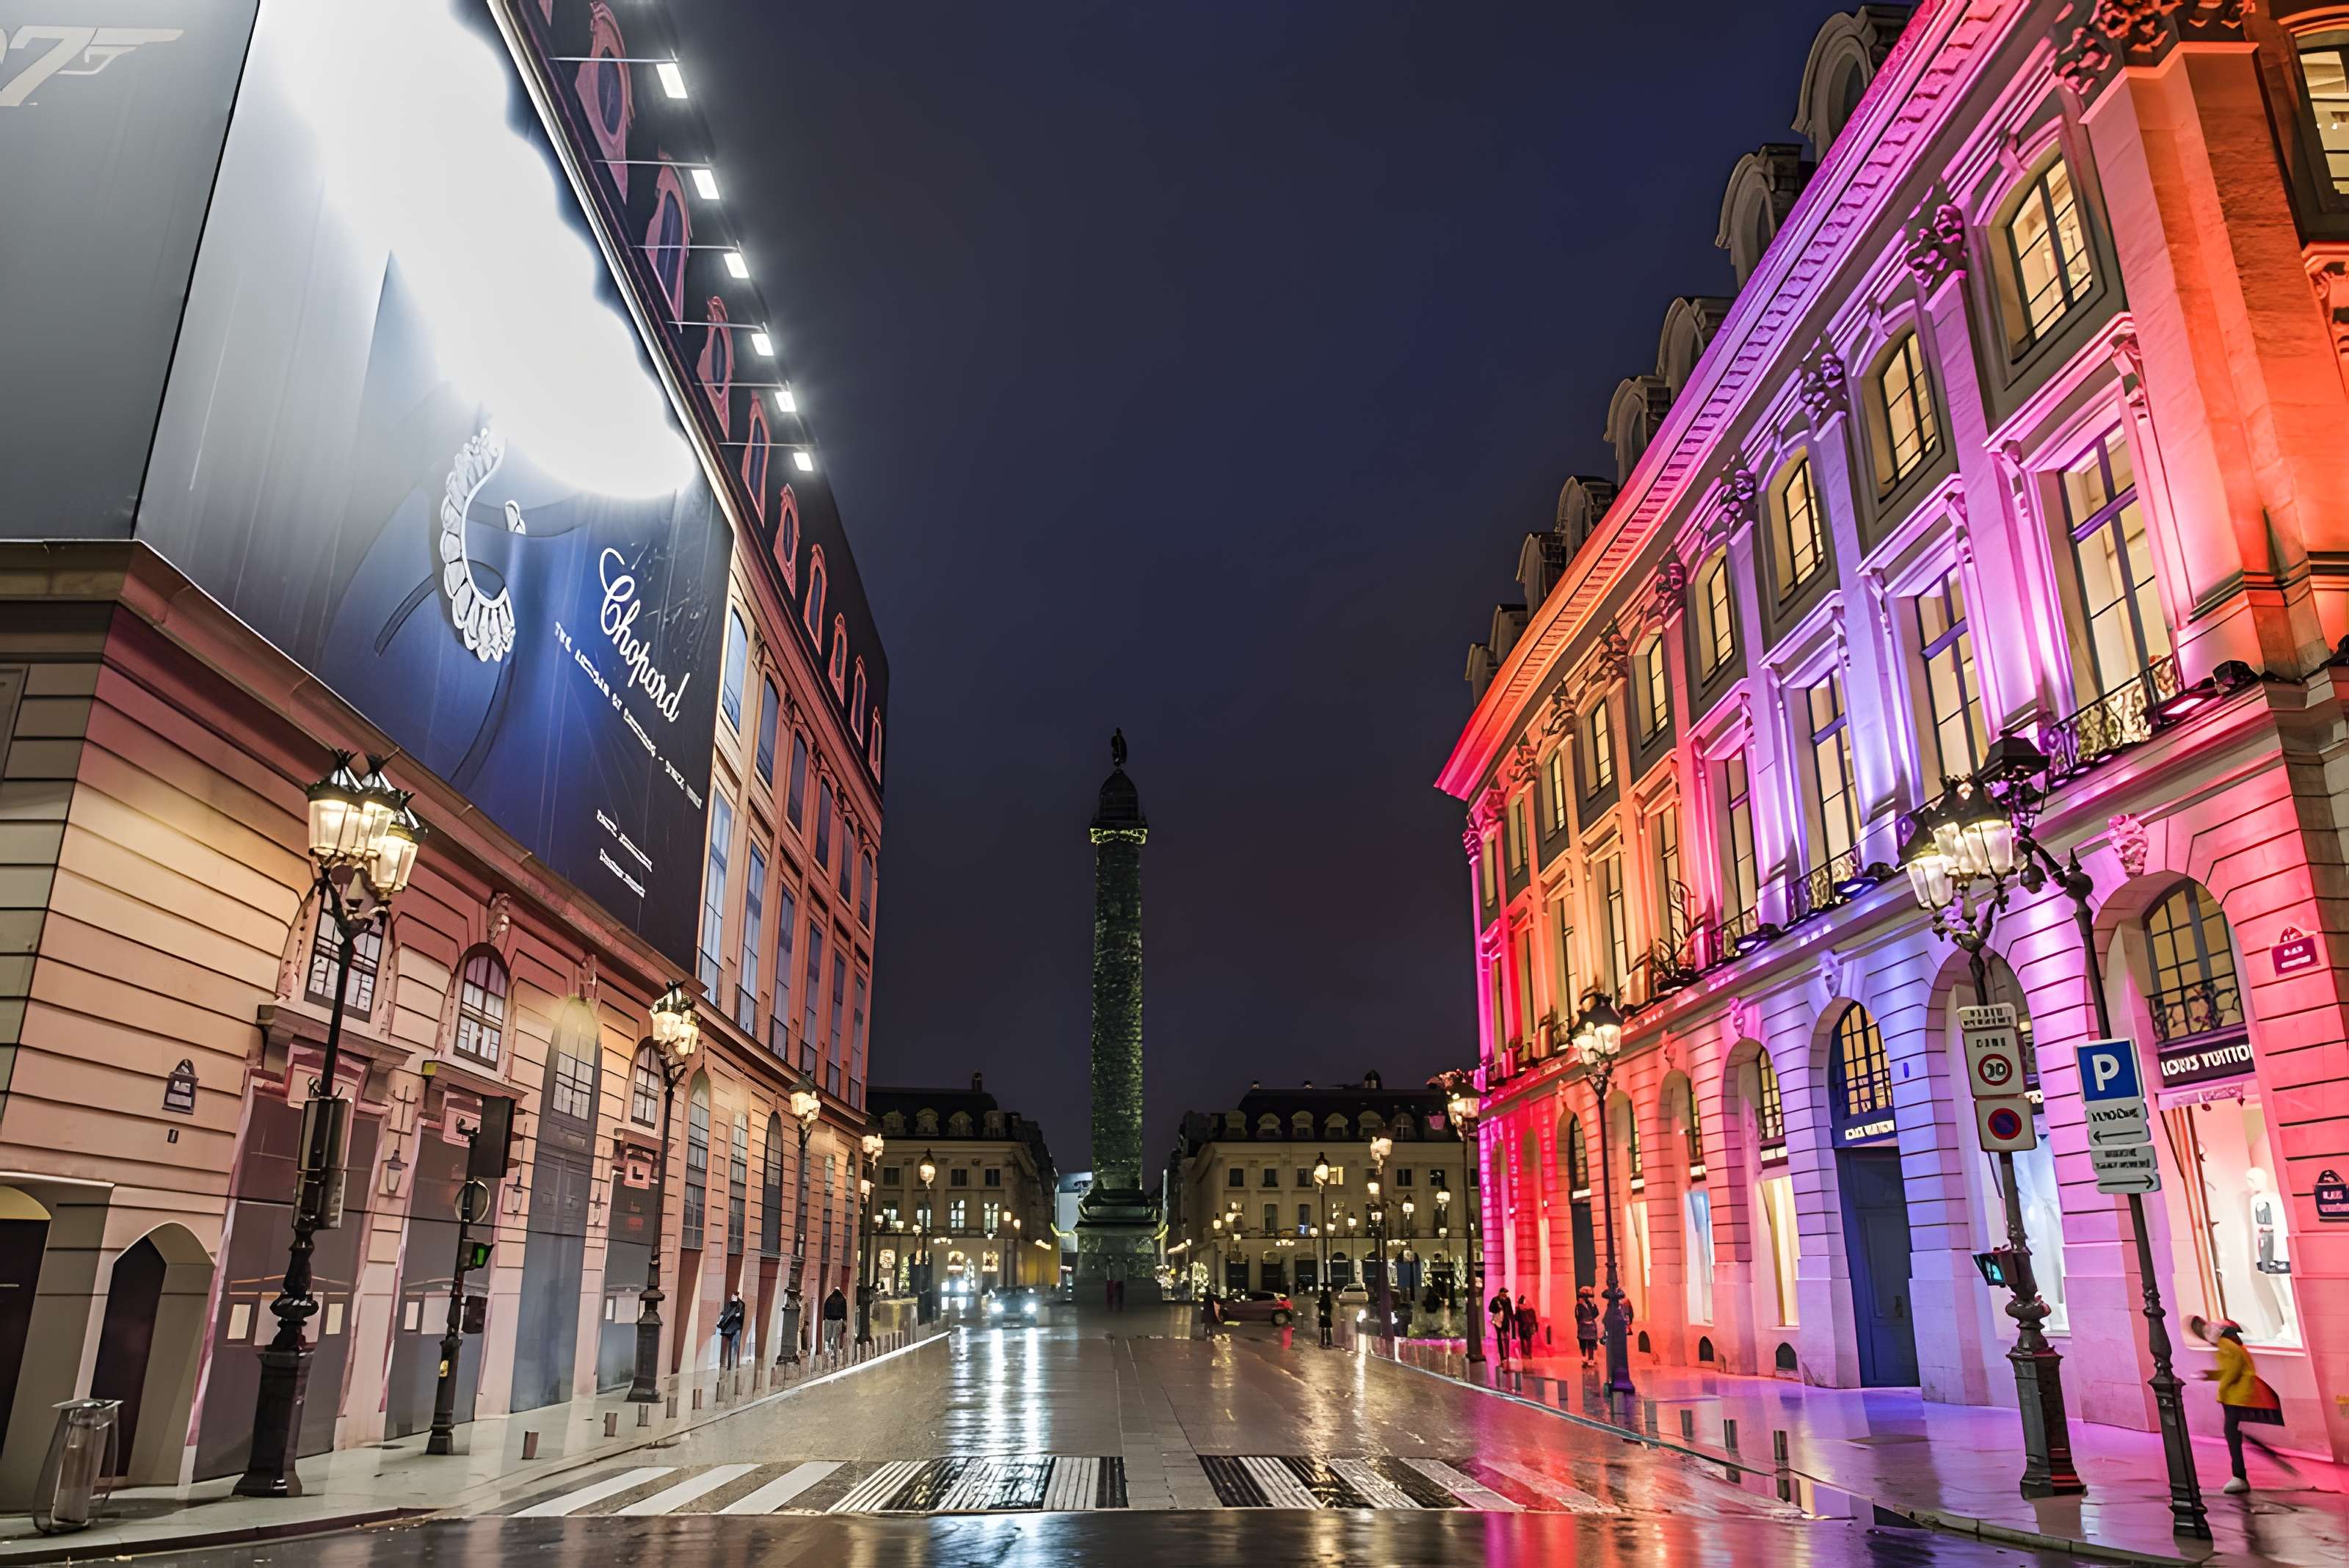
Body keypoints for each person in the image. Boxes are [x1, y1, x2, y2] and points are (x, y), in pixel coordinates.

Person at [2200, 1318, 2294, 1493]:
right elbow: (2232, 1369)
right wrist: (2211, 1375)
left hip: (2236, 1397)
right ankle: (2243, 1471)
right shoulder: (2236, 1346)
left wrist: (2222, 1387)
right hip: (2240, 1395)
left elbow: (2233, 1372)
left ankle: (2240, 1475)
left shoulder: (2226, 1346)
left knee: (2232, 1432)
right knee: (2234, 1431)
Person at [716, 1292, 745, 1370]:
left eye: (733, 1296)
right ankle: (728, 1364)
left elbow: (741, 1315)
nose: (732, 1298)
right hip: (729, 1328)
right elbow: (727, 1313)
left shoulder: (741, 1304)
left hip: (736, 1328)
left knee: (734, 1345)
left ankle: (732, 1365)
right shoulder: (730, 1304)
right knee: (730, 1345)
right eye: (732, 1296)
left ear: (736, 1296)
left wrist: (739, 1315)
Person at [1488, 1288, 1514, 1366]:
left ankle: (1507, 1356)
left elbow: (1510, 1312)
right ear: (1500, 1293)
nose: (1505, 1296)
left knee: (1506, 1339)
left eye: (1506, 1294)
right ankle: (1502, 1357)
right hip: (1498, 1321)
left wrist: (1512, 1323)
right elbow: (1491, 1309)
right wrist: (1498, 1309)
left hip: (1505, 1321)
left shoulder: (1507, 1300)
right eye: (1503, 1294)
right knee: (1499, 1338)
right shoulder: (1495, 1300)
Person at [1575, 1285, 1600, 1366]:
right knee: (1584, 1343)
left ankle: (1591, 1358)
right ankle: (1585, 1357)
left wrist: (1593, 1305)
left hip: (1590, 1327)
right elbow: (1577, 1316)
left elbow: (1595, 1314)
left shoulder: (1591, 1305)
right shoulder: (1579, 1305)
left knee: (1590, 1343)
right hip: (1584, 1326)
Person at [821, 1285, 849, 1354]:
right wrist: (845, 1319)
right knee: (836, 1335)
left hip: (829, 1319)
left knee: (829, 1335)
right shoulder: (843, 1299)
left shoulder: (829, 1299)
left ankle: (828, 1349)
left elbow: (825, 1308)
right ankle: (835, 1350)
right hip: (838, 1319)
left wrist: (824, 1318)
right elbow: (844, 1310)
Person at [1514, 1293, 1538, 1360]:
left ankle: (1525, 1354)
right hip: (1528, 1327)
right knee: (1528, 1340)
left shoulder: (1520, 1310)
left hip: (1523, 1327)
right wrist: (1536, 1328)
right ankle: (1529, 1354)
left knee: (1523, 1341)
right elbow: (1534, 1319)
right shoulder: (1530, 1310)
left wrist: (1517, 1310)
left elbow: (1516, 1318)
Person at [1317, 1284, 1335, 1349]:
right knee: (1328, 1328)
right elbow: (1330, 1306)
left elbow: (1320, 1306)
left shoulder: (1322, 1298)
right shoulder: (1329, 1299)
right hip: (1328, 1315)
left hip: (1323, 1314)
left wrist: (1321, 1311)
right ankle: (1329, 1343)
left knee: (1322, 1328)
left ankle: (1322, 1343)